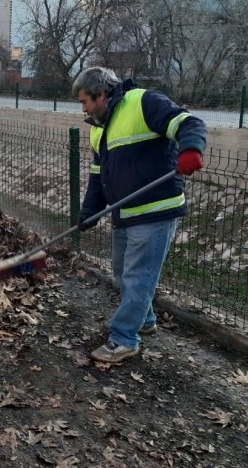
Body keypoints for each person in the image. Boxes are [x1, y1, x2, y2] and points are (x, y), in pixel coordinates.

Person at [73, 67, 206, 363]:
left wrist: (191, 149)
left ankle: (124, 338)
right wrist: (89, 211)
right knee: (122, 273)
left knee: (137, 277)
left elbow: (189, 123)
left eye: (84, 101)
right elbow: (99, 175)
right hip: (125, 212)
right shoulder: (99, 127)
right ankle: (144, 321)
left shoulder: (144, 103)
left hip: (156, 210)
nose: (82, 108)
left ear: (102, 94)